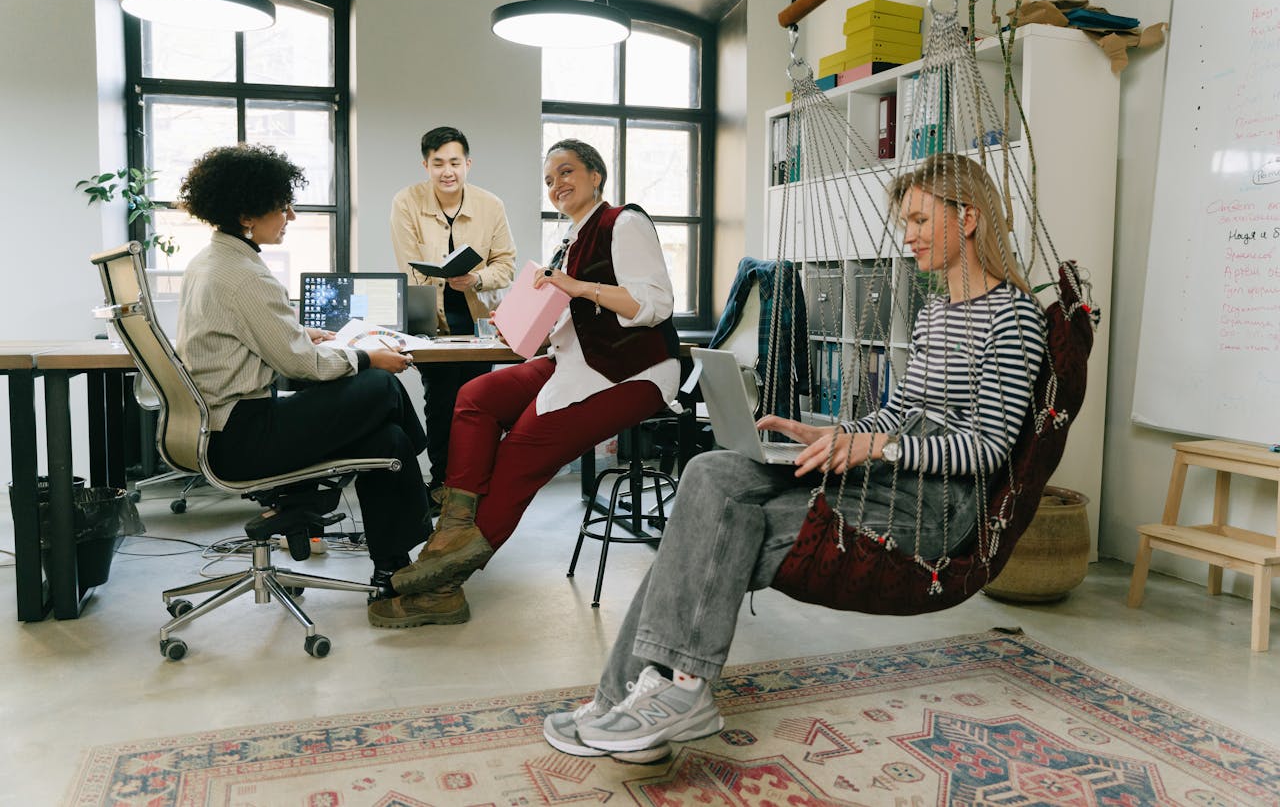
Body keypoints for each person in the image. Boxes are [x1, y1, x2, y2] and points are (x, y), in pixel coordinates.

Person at [539, 152, 1049, 761]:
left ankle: (660, 690)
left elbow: (990, 449)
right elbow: (898, 410)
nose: (906, 235)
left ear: (968, 219)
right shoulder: (937, 310)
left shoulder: (1015, 318)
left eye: (918, 219)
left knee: (726, 526)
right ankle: (648, 695)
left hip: (933, 505)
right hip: (887, 472)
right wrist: (825, 432)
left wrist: (877, 446)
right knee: (708, 473)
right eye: (904, 221)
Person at [372, 138, 681, 626]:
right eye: (549, 179)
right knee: (476, 396)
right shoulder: (571, 238)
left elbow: (655, 305)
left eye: (566, 172)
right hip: (577, 361)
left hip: (633, 372)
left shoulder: (624, 222)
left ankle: (442, 583)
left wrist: (577, 287)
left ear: (595, 175)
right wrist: (516, 322)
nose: (557, 185)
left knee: (520, 452)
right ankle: (454, 527)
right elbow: (569, 322)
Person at [174, 143, 456, 629]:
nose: (291, 214)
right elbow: (301, 366)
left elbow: (257, 339)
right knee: (381, 388)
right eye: (281, 204)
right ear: (246, 211)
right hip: (241, 436)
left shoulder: (212, 262)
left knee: (386, 443)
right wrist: (367, 355)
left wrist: (300, 334)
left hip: (218, 430)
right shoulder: (243, 275)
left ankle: (391, 565)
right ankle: (430, 492)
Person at [389, 127, 517, 507]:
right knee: (441, 400)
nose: (448, 171)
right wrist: (437, 277)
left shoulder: (490, 205)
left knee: (478, 402)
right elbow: (409, 265)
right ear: (425, 165)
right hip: (432, 319)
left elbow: (506, 265)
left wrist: (476, 278)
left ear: (468, 164)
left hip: (478, 319)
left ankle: (474, 484)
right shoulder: (406, 202)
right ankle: (442, 483)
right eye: (439, 163)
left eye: (456, 163)